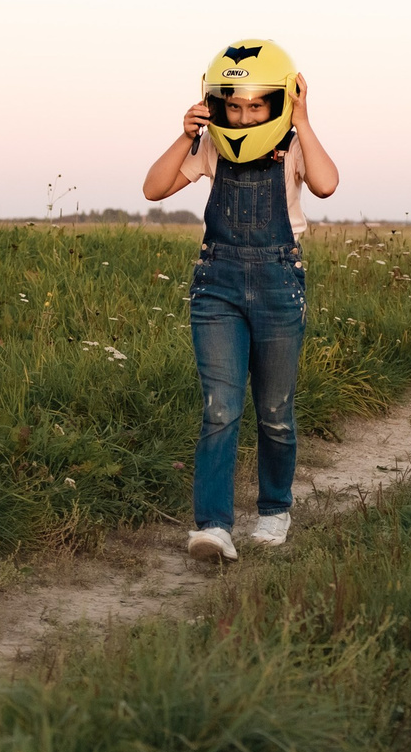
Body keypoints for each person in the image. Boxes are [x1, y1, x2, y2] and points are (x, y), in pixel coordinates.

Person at [141, 38, 340, 563]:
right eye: (235, 105)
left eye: (257, 105)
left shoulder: (293, 146)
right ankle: (213, 526)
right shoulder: (212, 147)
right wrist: (185, 135)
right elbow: (153, 189)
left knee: (275, 410)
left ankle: (275, 508)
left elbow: (326, 184)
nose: (246, 116)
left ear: (277, 102)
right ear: (217, 102)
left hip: (279, 283)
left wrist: (303, 119)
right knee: (220, 408)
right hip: (218, 286)